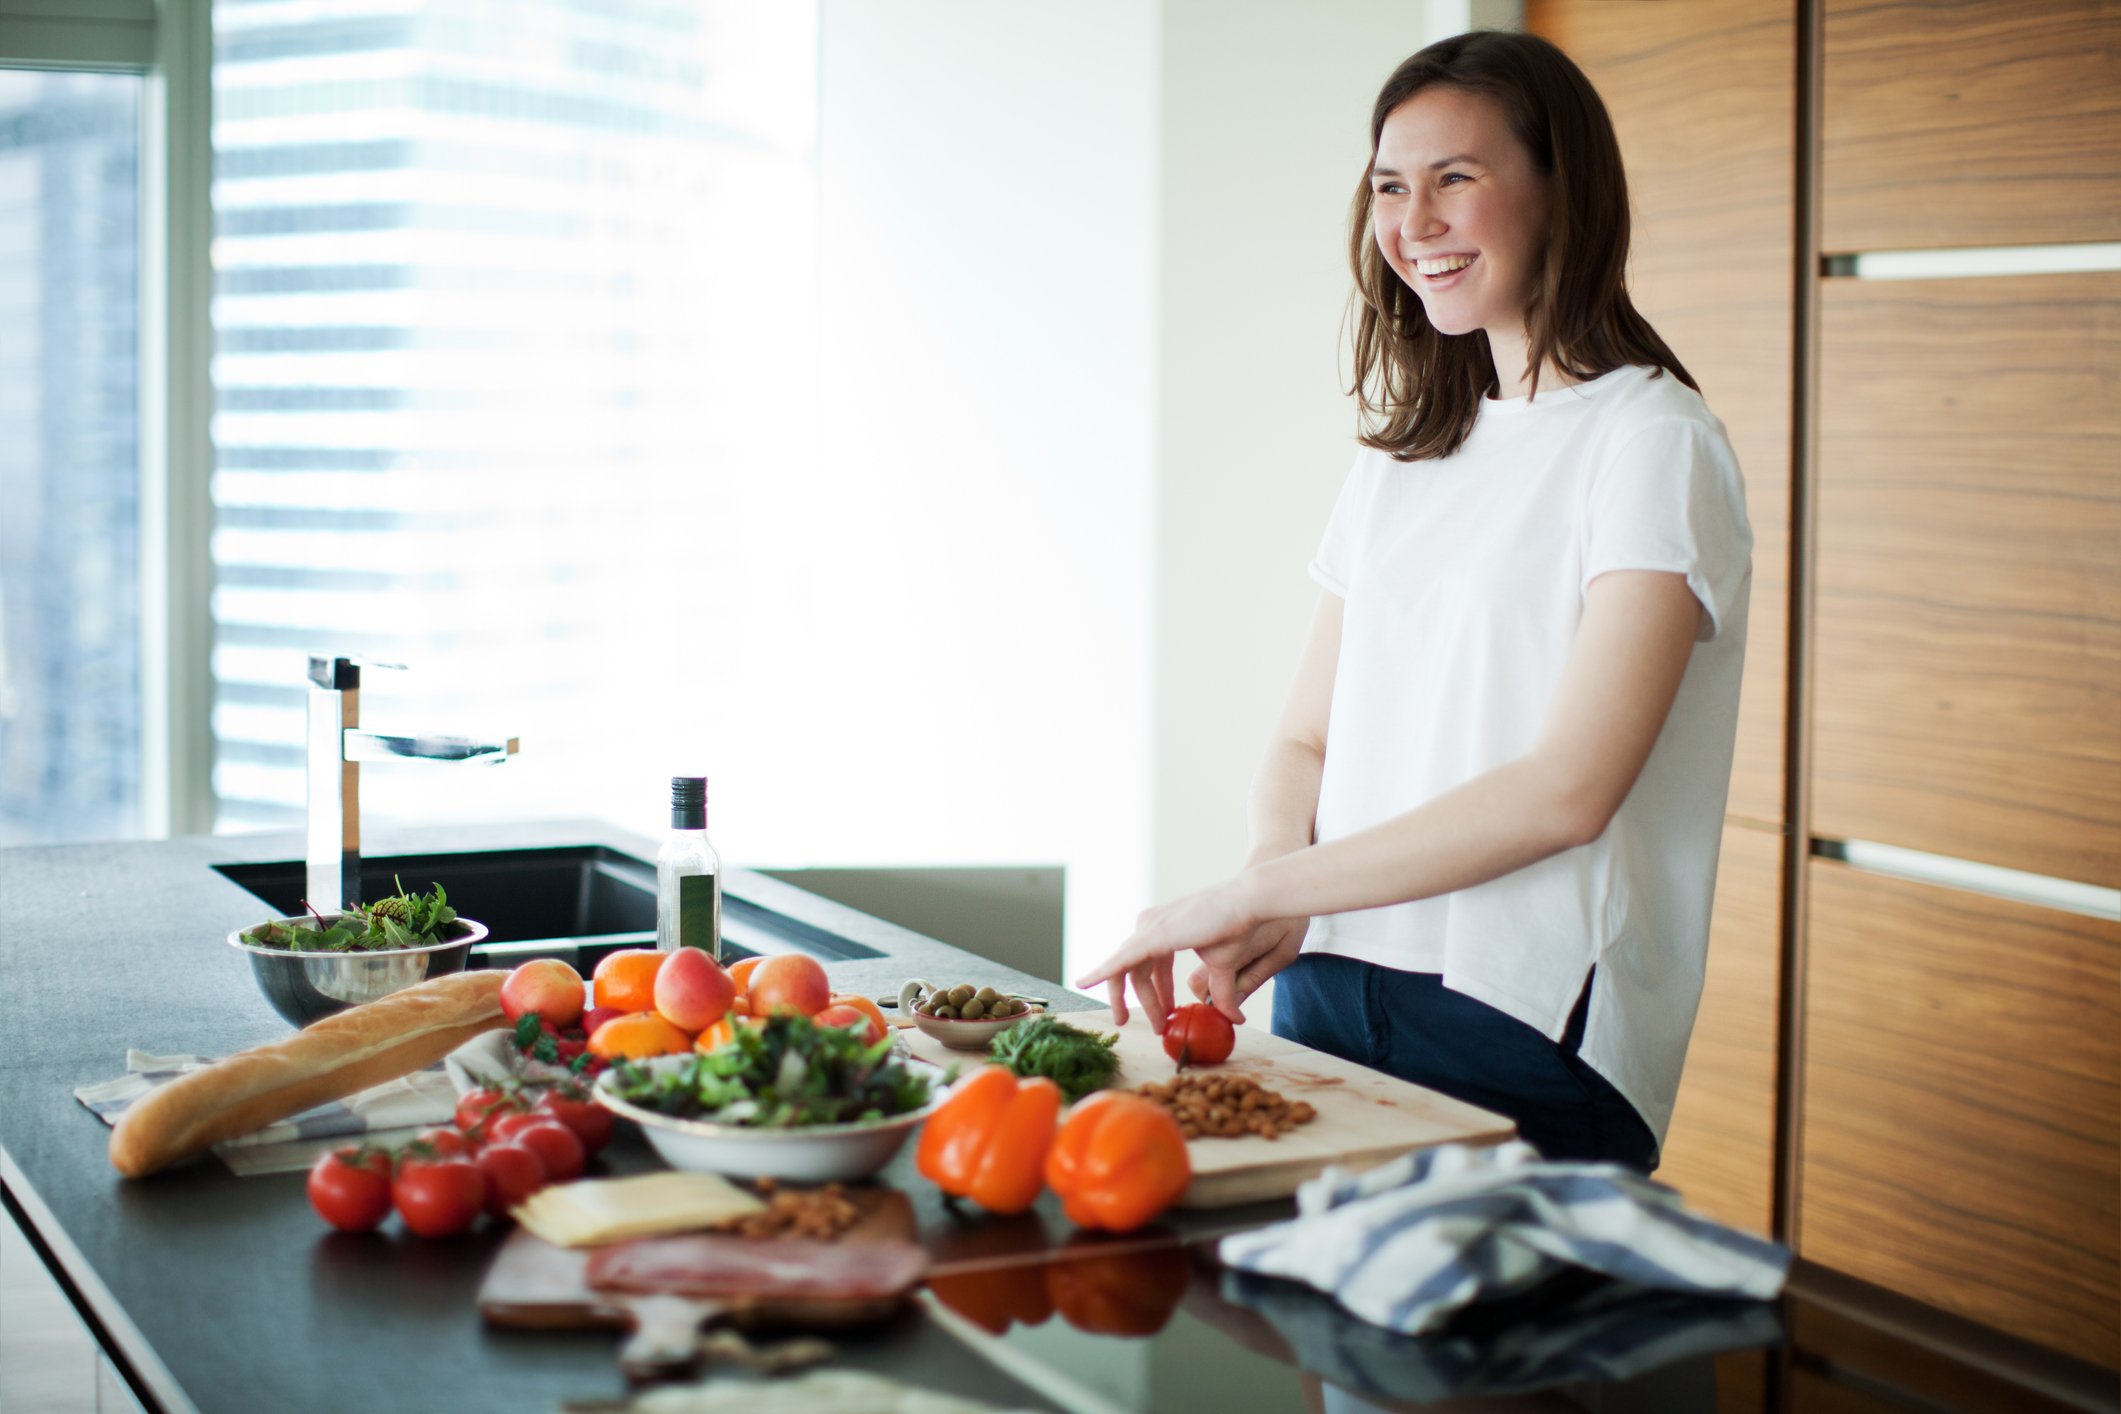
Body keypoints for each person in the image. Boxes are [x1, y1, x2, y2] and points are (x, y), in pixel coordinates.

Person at [1078, 31, 1753, 1172]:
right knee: (1324, 1347)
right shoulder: (1408, 455)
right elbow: (1305, 736)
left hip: (1521, 1013)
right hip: (1330, 988)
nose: (1415, 222)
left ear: (1560, 191)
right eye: (1392, 186)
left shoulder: (1653, 442)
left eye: (1457, 179)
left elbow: (1567, 792)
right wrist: (1262, 892)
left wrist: (1243, 892)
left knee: (1489, 1354)